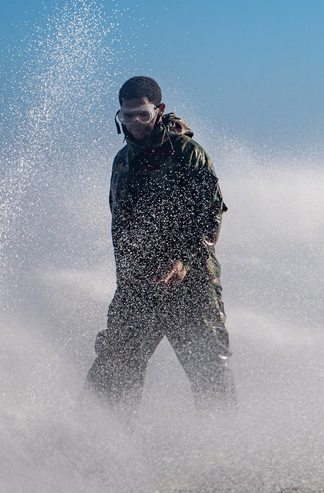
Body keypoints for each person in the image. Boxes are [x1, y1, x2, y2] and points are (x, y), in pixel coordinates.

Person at [85, 76, 236, 415]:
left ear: (159, 110)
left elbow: (210, 214)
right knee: (114, 368)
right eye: (127, 116)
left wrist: (182, 258)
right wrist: (126, 285)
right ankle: (99, 448)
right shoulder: (122, 162)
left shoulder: (187, 154)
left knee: (208, 369)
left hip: (190, 284)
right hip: (139, 286)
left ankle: (223, 453)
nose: (135, 123)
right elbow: (121, 228)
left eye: (142, 114)